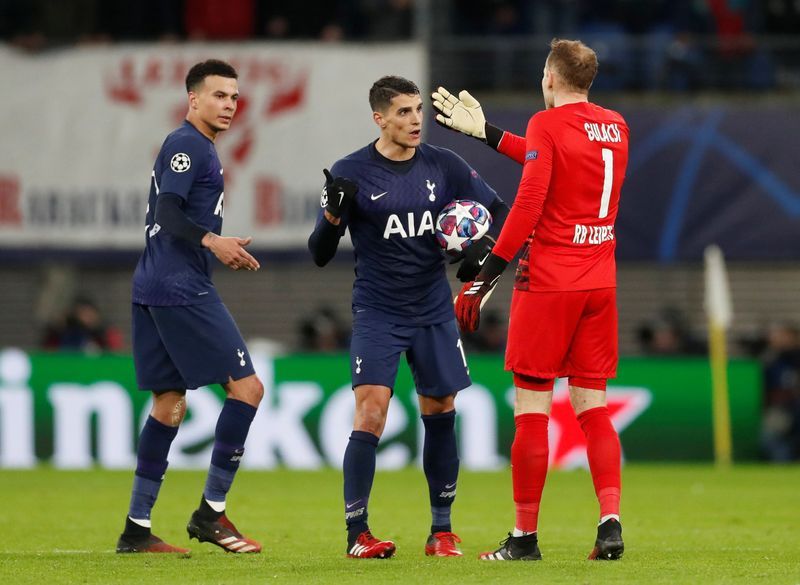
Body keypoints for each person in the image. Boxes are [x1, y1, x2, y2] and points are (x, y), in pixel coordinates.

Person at [434, 38, 630, 561]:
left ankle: (524, 537)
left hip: (549, 282)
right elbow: (550, 159)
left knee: (532, 409)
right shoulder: (614, 125)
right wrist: (486, 134)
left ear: (549, 78)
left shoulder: (547, 124)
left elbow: (529, 200)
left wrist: (486, 275)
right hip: (600, 281)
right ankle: (609, 523)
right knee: (593, 408)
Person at [308, 75, 509, 559]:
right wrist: (334, 217)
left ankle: (441, 532)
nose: (416, 120)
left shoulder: (445, 165)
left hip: (432, 310)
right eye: (403, 112)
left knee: (440, 412)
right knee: (372, 411)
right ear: (379, 118)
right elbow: (318, 252)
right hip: (378, 309)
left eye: (418, 110)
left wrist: (480, 249)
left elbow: (499, 210)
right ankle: (359, 535)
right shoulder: (351, 171)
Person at [116, 59, 264, 555]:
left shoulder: (198, 148)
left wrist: (216, 243)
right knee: (248, 389)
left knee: (169, 403)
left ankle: (137, 529)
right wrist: (212, 241)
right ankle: (212, 513)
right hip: (179, 286)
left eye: (234, 97)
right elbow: (167, 211)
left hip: (153, 282)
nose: (228, 105)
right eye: (219, 95)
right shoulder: (187, 145)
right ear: (193, 99)